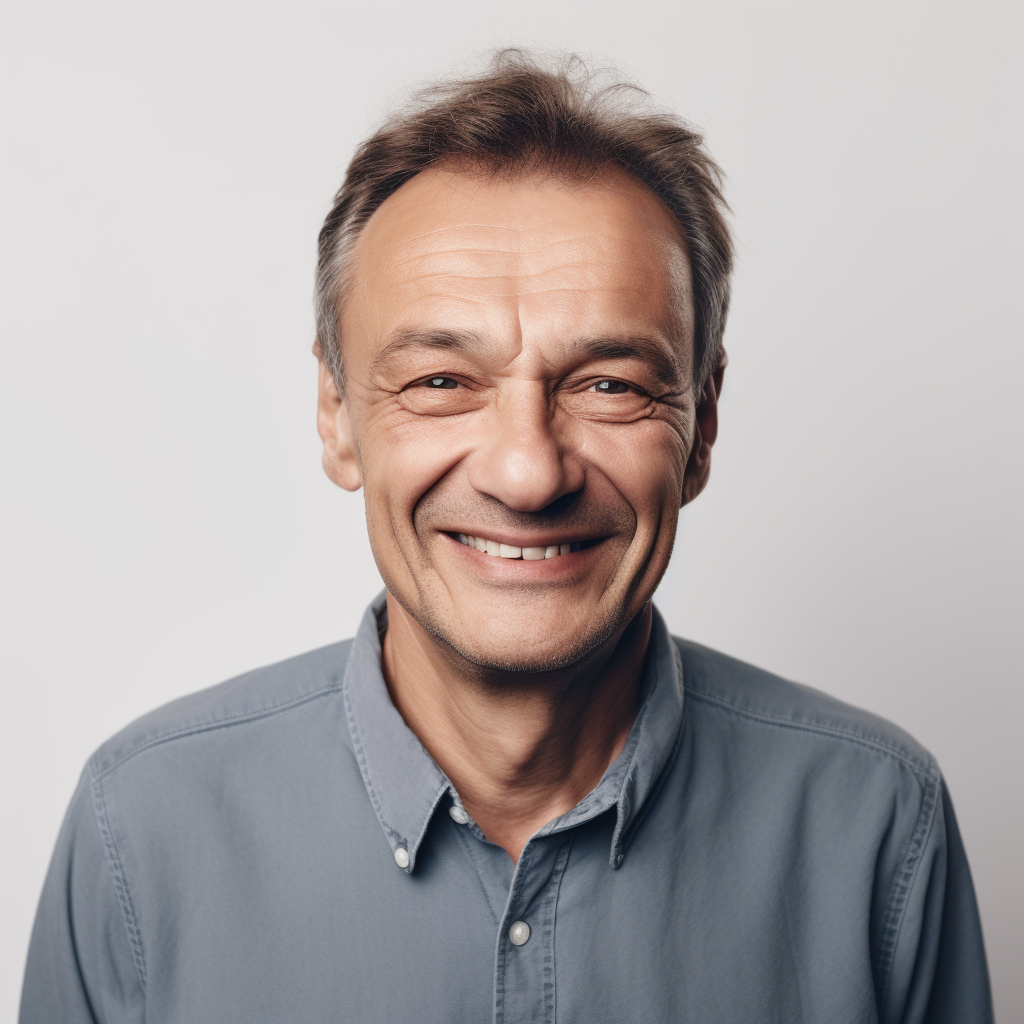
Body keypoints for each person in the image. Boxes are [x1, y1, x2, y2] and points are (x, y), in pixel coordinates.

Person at [20, 50, 992, 1023]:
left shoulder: (877, 823)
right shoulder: (140, 829)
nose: (527, 473)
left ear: (702, 419)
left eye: (609, 383)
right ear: (336, 412)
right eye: (442, 381)